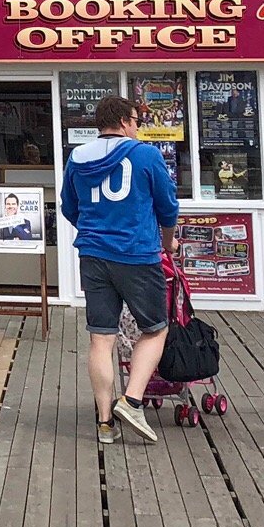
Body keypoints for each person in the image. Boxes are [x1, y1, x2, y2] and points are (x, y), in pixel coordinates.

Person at [61, 94, 179, 444]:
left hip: (93, 255)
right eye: (136, 121)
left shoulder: (77, 158)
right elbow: (167, 208)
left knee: (101, 338)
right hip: (137, 255)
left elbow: (70, 207)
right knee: (156, 329)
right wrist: (166, 241)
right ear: (126, 122)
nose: (138, 127)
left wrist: (94, 228)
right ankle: (132, 400)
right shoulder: (144, 154)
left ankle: (104, 423)